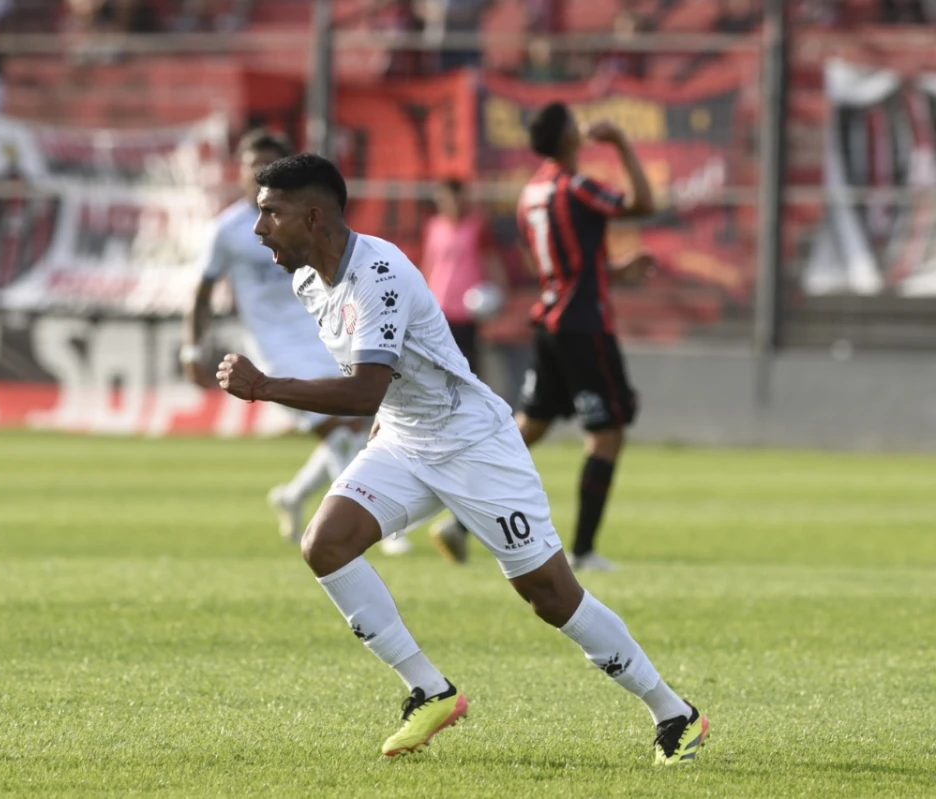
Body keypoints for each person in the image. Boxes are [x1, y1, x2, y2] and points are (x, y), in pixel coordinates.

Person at [215, 152, 706, 763]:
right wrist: (378, 432)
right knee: (326, 543)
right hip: (403, 439)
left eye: (270, 213)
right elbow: (382, 388)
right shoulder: (308, 280)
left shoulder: (379, 273)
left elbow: (366, 385)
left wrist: (264, 386)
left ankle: (673, 713)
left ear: (313, 217)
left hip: (472, 444)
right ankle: (430, 690)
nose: (259, 228)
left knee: (551, 595)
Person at [183, 130, 410, 555]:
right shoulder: (230, 229)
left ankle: (294, 495)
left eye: (265, 164)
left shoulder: (305, 220)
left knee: (354, 425)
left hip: (318, 332)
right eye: (251, 163)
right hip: (273, 346)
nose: (255, 172)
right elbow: (201, 291)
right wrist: (193, 349)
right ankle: (378, 524)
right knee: (341, 428)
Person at [513, 102, 658, 572]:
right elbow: (643, 205)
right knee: (607, 433)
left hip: (551, 320)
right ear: (570, 138)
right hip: (583, 326)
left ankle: (452, 516)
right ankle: (583, 550)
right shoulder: (575, 186)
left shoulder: (530, 195)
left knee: (527, 428)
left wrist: (610, 270)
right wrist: (619, 142)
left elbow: (553, 269)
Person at [420, 178, 507, 563]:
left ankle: (458, 426)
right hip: (437, 317)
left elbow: (491, 265)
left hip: (467, 317)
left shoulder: (477, 227)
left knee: (465, 384)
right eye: (444, 195)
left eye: (454, 194)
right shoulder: (434, 227)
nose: (449, 202)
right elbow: (428, 265)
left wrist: (497, 294)